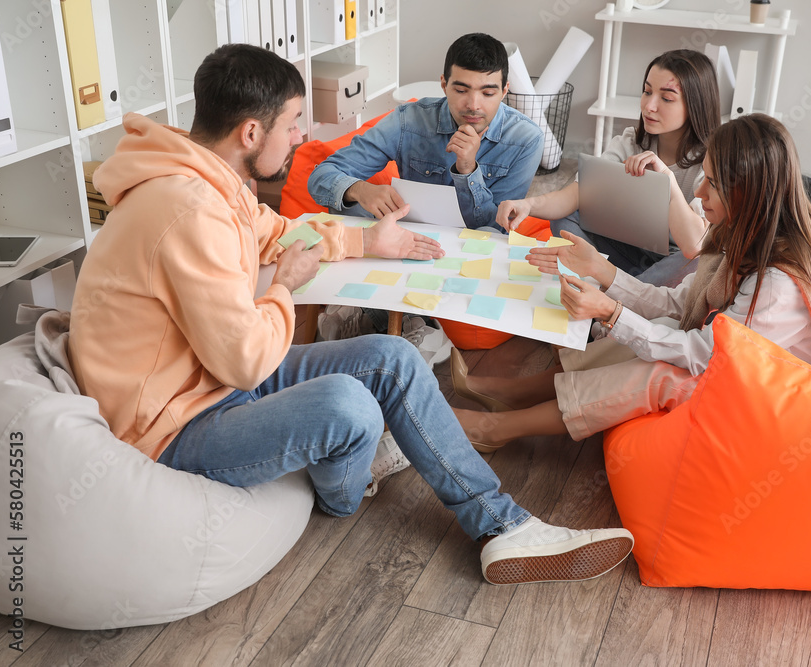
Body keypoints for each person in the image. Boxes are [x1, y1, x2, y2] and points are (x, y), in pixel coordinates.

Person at [67, 43, 633, 586]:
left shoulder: (214, 183)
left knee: (396, 356)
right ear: (250, 133)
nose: (301, 136)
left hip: (202, 377)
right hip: (172, 421)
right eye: (292, 124)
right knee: (350, 407)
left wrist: (365, 245)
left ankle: (504, 525)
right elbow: (245, 362)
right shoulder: (188, 209)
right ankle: (348, 485)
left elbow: (283, 232)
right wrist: (283, 289)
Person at [452, 114, 811, 450]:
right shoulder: (751, 234)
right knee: (656, 331)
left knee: (663, 371)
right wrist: (602, 273)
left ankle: (499, 428)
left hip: (803, 403)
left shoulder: (776, 284)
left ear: (748, 193)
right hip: (757, 367)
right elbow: (680, 304)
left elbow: (702, 359)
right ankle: (509, 393)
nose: (700, 192)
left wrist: (611, 312)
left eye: (713, 183)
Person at [496, 50, 720, 287]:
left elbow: (694, 245)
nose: (649, 105)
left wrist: (668, 181)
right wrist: (528, 204)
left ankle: (619, 290)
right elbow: (578, 193)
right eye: (647, 91)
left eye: (666, 98)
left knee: (703, 256)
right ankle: (619, 282)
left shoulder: (709, 162)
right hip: (626, 249)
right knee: (566, 215)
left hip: (673, 259)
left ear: (695, 104)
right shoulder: (630, 141)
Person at [307, 32, 542, 233]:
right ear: (443, 85)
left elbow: (496, 228)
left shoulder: (526, 140)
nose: (473, 105)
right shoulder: (407, 121)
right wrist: (359, 189)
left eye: (488, 94)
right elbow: (321, 177)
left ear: (504, 91)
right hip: (408, 240)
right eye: (461, 90)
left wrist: (468, 170)